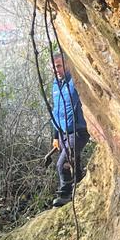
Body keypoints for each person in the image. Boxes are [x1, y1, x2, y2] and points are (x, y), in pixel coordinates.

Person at [49, 51, 88, 207]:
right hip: (64, 132)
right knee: (74, 163)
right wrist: (56, 136)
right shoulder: (56, 85)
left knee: (62, 163)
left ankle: (65, 194)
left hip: (79, 130)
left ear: (67, 65)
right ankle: (78, 190)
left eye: (58, 65)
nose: (56, 69)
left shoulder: (76, 81)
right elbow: (56, 112)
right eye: (54, 67)